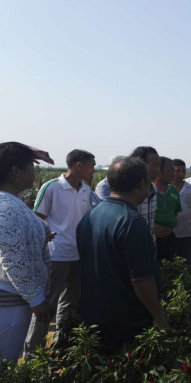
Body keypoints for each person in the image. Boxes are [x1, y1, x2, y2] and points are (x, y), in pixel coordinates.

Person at [77, 157, 169, 354]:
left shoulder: (91, 215)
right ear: (142, 183)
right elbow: (141, 280)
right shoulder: (131, 222)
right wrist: (160, 319)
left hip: (94, 316)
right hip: (126, 321)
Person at [25, 149, 96, 356]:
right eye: (91, 166)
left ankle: (61, 345)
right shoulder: (52, 187)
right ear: (78, 166)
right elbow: (36, 217)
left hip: (79, 254)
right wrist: (45, 234)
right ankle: (32, 355)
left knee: (70, 302)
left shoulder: (86, 190)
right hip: (56, 256)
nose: (93, 170)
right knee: (45, 305)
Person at [0, 142, 52, 361]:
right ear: (15, 171)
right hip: (9, 300)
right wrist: (37, 300)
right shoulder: (7, 208)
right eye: (31, 165)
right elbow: (13, 259)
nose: (34, 170)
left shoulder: (11, 203)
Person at [154, 157, 182, 262]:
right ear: (159, 170)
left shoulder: (173, 191)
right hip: (154, 241)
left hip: (169, 238)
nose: (174, 174)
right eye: (171, 171)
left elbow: (176, 211)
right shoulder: (148, 191)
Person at [129, 147, 160, 240]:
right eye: (155, 165)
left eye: (159, 165)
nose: (158, 169)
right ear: (139, 164)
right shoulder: (127, 191)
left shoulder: (153, 188)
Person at [172, 159, 191, 263]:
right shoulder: (166, 189)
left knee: (185, 260)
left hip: (186, 231)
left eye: (183, 171)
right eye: (177, 171)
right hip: (170, 232)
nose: (181, 174)